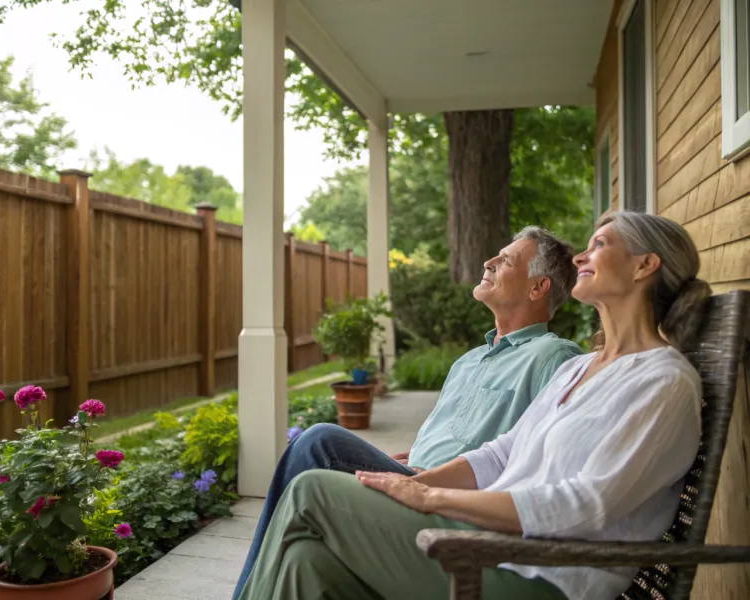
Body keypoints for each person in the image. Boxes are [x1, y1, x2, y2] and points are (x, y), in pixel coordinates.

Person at [237, 212, 712, 600]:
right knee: (305, 562)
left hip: (543, 577)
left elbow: (588, 503)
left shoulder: (663, 382)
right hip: (492, 547)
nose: (582, 255)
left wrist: (430, 498)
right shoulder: (580, 369)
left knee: (313, 490)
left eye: (600, 244)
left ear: (644, 266)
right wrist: (411, 486)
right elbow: (502, 453)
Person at [232, 227, 582, 599]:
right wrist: (413, 459)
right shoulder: (469, 361)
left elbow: (536, 463)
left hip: (450, 501)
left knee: (319, 442)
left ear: (537, 288)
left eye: (506, 260)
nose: (489, 262)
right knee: (303, 552)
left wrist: (432, 477)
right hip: (411, 478)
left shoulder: (553, 356)